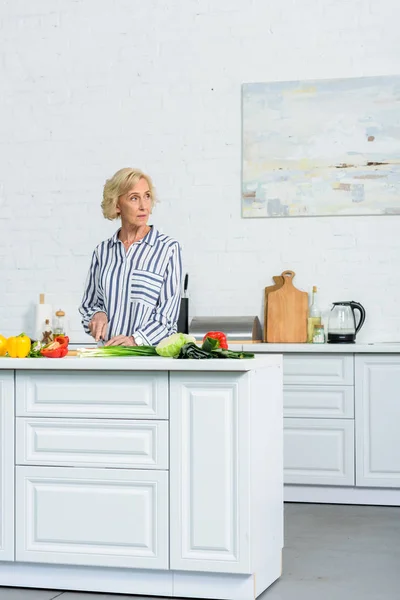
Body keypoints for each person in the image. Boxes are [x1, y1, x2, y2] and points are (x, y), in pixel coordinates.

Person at [79, 168, 182, 346]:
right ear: (117, 204)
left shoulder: (168, 249)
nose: (144, 206)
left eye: (147, 196)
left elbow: (167, 317)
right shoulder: (102, 251)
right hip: (107, 357)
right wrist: (97, 315)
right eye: (134, 198)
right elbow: (89, 305)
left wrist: (135, 340)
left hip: (149, 361)